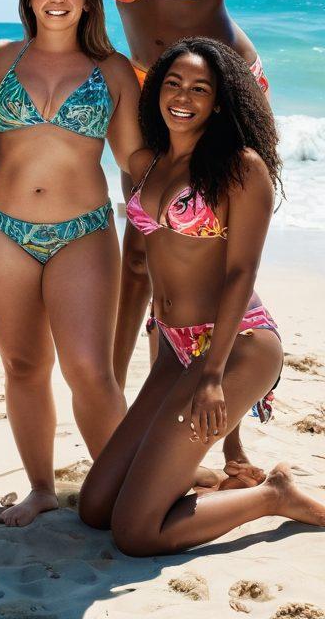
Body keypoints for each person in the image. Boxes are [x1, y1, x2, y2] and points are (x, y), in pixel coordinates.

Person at [72, 0, 265, 478]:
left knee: (208, 252)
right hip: (155, 107)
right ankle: (125, 404)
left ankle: (232, 436)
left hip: (219, 103)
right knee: (141, 253)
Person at [78, 38, 325, 554]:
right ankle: (203, 478)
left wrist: (211, 373)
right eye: (172, 83)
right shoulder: (145, 163)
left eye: (199, 88)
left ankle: (273, 495)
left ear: (219, 100)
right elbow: (140, 264)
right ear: (156, 92)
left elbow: (241, 271)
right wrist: (127, 355)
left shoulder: (240, 167)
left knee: (136, 532)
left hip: (236, 345)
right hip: (173, 345)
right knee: (96, 507)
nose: (183, 96)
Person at [0, 0, 141, 526]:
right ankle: (40, 487)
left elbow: (134, 158)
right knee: (23, 364)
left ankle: (123, 488)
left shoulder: (112, 70)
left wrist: (171, 208)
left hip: (82, 230)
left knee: (89, 367)